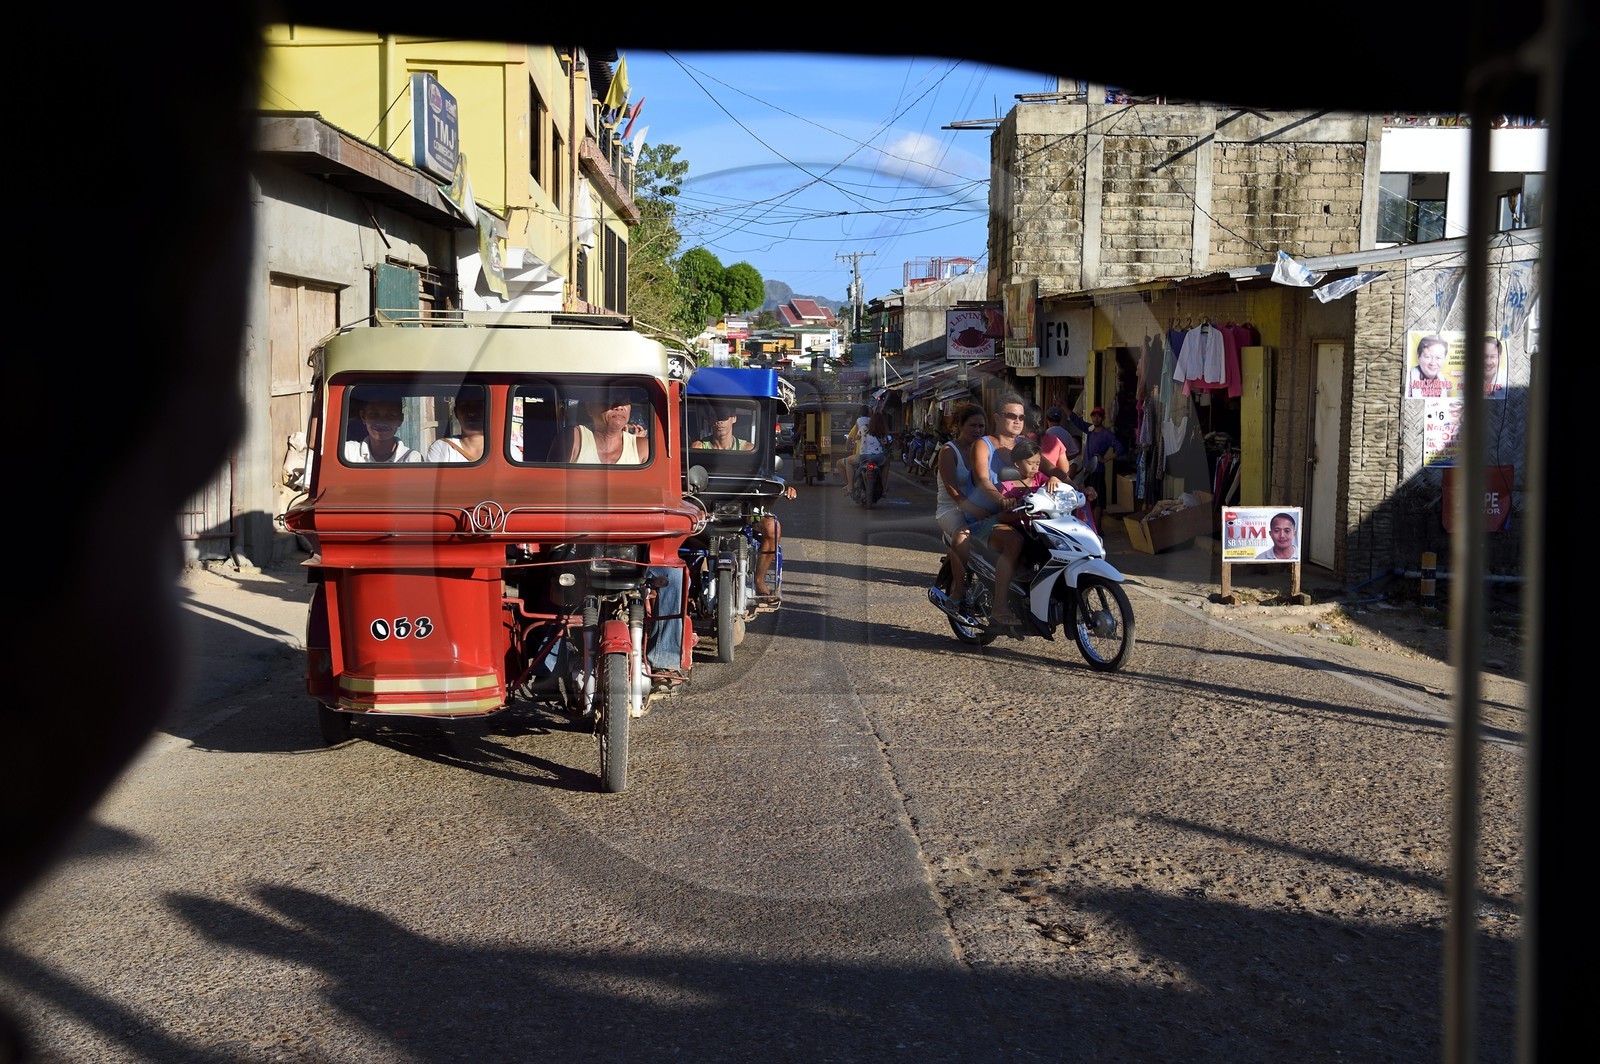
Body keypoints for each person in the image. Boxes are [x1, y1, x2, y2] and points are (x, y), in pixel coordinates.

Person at [935, 403, 997, 615]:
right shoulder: (948, 451)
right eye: (973, 425)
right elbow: (952, 490)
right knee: (963, 534)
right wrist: (974, 510)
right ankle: (958, 592)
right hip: (952, 510)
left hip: (981, 507)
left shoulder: (986, 449)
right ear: (960, 425)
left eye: (981, 426)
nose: (978, 430)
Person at [1065, 404, 1126, 530]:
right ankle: (1091, 527)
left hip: (1098, 471)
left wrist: (1105, 459)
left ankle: (1096, 530)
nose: (1096, 419)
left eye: (1099, 416)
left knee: (1097, 501)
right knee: (1089, 500)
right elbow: (1075, 419)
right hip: (1088, 471)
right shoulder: (1090, 429)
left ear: (1102, 418)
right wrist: (1062, 405)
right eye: (1094, 416)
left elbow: (1120, 448)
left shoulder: (1107, 434)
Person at [565, 389, 644, 464]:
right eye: (609, 399)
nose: (619, 407)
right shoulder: (572, 439)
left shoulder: (643, 448)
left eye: (625, 400)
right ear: (589, 408)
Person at [343, 393, 422, 464]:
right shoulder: (348, 452)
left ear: (400, 419)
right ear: (363, 417)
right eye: (374, 415)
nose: (381, 421)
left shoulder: (410, 458)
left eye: (390, 416)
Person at [752, 485, 798, 603]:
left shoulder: (755, 466)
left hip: (750, 512)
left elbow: (768, 473)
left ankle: (759, 581)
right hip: (710, 510)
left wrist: (785, 487)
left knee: (773, 527)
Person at [425, 392, 487, 462]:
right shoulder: (442, 448)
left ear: (488, 410)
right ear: (456, 412)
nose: (472, 413)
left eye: (479, 406)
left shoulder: (500, 447)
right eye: (465, 407)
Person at [842, 412, 888, 494]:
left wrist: (858, 431)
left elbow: (856, 438)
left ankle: (850, 486)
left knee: (848, 461)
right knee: (887, 463)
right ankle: (884, 487)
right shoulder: (882, 432)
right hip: (879, 458)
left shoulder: (863, 428)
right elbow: (885, 443)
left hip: (863, 456)